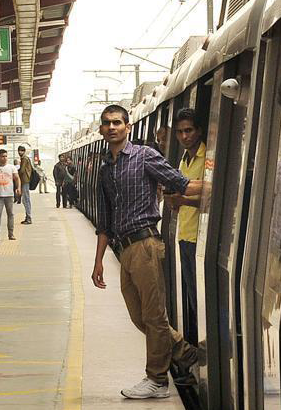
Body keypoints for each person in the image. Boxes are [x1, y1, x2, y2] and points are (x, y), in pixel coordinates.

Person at [91, 105, 202, 399]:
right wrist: (98, 261)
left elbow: (181, 184)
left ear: (128, 127)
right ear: (101, 130)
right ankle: (187, 354)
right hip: (123, 249)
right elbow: (104, 219)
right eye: (106, 123)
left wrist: (230, 185)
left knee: (153, 316)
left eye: (117, 122)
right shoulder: (105, 170)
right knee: (140, 316)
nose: (112, 127)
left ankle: (157, 380)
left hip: (145, 245)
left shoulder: (145, 157)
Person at [164, 108, 205, 345]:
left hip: (200, 238)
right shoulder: (183, 159)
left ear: (198, 130)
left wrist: (183, 199)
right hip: (185, 235)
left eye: (188, 130)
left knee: (200, 299)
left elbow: (215, 192)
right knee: (192, 296)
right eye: (180, 132)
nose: (184, 136)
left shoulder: (207, 156)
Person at [0, 149, 21, 241]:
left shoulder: (12, 167)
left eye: (6, 156)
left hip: (9, 195)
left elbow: (17, 178)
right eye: (2, 156)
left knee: (10, 214)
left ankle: (11, 234)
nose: (5, 158)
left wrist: (18, 188)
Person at [17, 146, 33, 224]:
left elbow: (22, 170)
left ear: (24, 151)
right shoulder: (25, 158)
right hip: (25, 180)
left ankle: (29, 217)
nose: (20, 152)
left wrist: (16, 174)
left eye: (21, 151)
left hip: (25, 180)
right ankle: (27, 216)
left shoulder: (24, 159)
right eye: (19, 151)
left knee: (26, 199)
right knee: (25, 199)